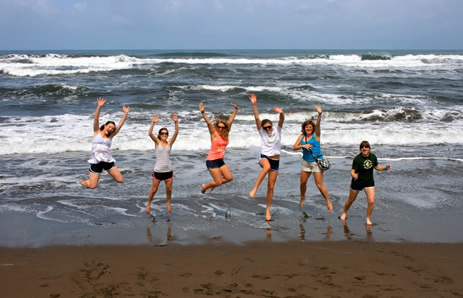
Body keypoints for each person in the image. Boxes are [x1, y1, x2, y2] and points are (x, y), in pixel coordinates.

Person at [248, 93, 285, 221]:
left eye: (269, 127)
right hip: (264, 157)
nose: (268, 129)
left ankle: (268, 209)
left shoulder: (277, 130)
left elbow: (282, 120)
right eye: (265, 128)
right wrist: (254, 105)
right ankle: (254, 189)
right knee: (266, 167)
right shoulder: (262, 132)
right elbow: (257, 118)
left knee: (271, 187)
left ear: (272, 125)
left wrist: (281, 113)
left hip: (276, 160)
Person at [80, 97, 130, 189]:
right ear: (105, 126)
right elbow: (96, 119)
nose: (111, 129)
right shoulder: (96, 132)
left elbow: (120, 125)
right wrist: (99, 107)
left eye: (112, 128)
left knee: (120, 180)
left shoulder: (110, 136)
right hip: (96, 162)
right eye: (109, 126)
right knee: (92, 186)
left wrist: (125, 113)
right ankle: (83, 182)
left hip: (107, 160)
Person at [339, 140, 391, 226]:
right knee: (351, 200)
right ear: (360, 149)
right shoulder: (357, 159)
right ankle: (344, 212)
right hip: (357, 181)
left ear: (369, 148)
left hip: (369, 181)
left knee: (371, 201)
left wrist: (385, 168)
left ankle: (368, 219)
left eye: (366, 146)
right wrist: (354, 175)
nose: (364, 148)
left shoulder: (373, 157)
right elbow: (352, 171)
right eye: (362, 147)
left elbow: (376, 167)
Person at [292, 105, 333, 212]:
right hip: (306, 162)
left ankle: (328, 201)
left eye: (310, 127)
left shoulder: (316, 135)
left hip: (316, 162)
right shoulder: (301, 137)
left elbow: (318, 124)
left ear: (313, 128)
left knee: (319, 185)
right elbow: (294, 147)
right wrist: (303, 146)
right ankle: (302, 197)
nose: (308, 128)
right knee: (302, 183)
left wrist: (319, 114)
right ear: (304, 128)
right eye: (306, 127)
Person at [199, 102, 238, 194]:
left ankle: (213, 184)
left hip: (220, 160)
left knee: (229, 178)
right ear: (216, 126)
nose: (220, 129)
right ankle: (205, 186)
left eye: (222, 127)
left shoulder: (225, 134)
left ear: (225, 128)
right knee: (219, 182)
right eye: (218, 127)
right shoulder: (214, 134)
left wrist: (236, 110)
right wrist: (203, 113)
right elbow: (208, 123)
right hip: (212, 161)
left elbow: (230, 121)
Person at [146, 113, 179, 214]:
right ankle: (148, 204)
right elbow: (150, 133)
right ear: (160, 135)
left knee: (169, 189)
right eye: (162, 133)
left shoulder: (169, 143)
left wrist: (176, 122)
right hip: (158, 171)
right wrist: (153, 123)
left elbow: (176, 133)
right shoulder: (157, 142)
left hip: (168, 170)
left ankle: (168, 203)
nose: (164, 135)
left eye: (166, 133)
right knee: (154, 190)